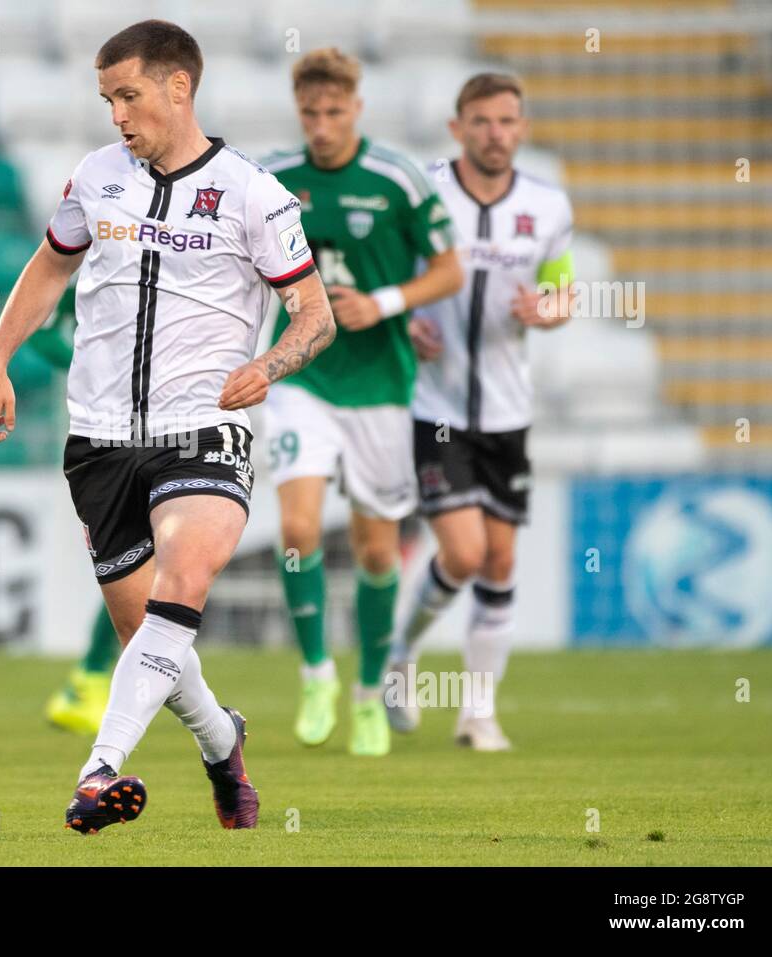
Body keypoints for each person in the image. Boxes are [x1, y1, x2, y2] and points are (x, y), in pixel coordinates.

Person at [0, 20, 335, 833]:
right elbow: (54, 263)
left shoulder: (252, 193)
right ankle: (222, 742)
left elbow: (315, 314)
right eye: (107, 100)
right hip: (98, 438)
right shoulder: (96, 178)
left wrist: (268, 366)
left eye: (128, 96)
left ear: (180, 88)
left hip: (203, 427)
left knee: (183, 582)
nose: (117, 117)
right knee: (149, 640)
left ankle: (97, 772)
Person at [260, 48, 462, 756]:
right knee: (298, 530)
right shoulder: (273, 178)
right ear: (300, 109)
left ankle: (369, 690)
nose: (321, 126)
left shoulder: (396, 179)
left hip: (380, 386)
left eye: (334, 112)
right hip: (304, 378)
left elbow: (449, 268)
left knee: (379, 550)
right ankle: (316, 671)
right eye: (310, 112)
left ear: (357, 108)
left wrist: (383, 303)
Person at [385, 73, 574, 751]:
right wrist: (405, 321)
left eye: (508, 121)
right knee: (463, 552)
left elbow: (562, 291)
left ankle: (478, 713)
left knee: (500, 560)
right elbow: (385, 276)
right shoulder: (425, 191)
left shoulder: (548, 206)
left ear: (522, 128)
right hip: (434, 407)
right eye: (483, 121)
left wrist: (547, 311)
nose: (496, 133)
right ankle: (400, 654)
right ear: (456, 126)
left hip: (508, 411)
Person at [31, 286, 120, 735]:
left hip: (177, 419)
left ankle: (91, 677)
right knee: (140, 555)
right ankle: (93, 678)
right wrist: (92, 374)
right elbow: (39, 332)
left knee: (153, 557)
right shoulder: (96, 258)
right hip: (106, 430)